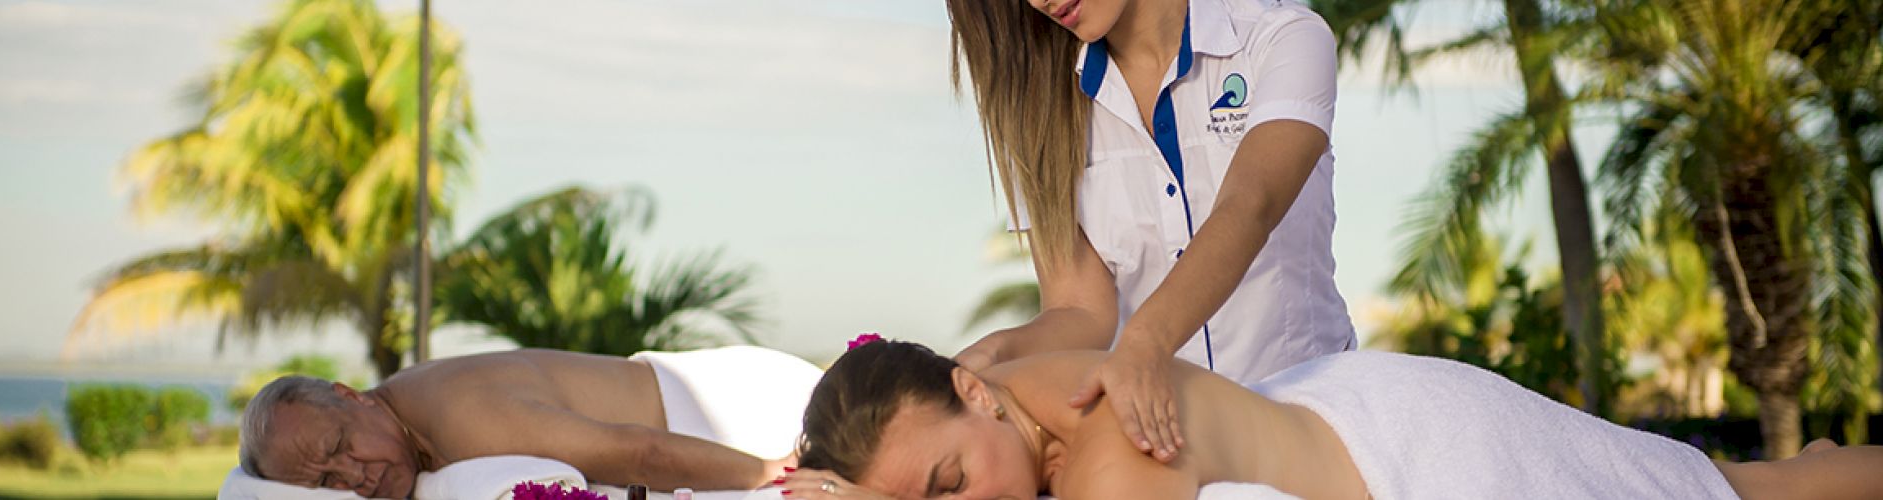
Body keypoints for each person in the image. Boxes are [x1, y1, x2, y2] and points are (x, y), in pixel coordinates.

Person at [946, 0, 1355, 463]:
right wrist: (992, 355)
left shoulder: (1281, 37)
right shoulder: (1040, 107)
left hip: (1313, 425)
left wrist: (1146, 342)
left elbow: (1250, 204)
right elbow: (1080, 310)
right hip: (1173, 449)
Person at [779, 340, 1882, 499]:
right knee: (1746, 483)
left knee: (1742, 492)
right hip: (1357, 401)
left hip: (1435, 460)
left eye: (946, 485)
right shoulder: (1014, 380)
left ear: (970, 395)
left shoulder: (1108, 444)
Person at [235, 347, 803, 498]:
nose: (354, 477)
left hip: (737, 414)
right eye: (328, 482)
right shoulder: (407, 429)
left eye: (341, 445)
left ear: (351, 396)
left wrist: (771, 471)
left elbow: (640, 455)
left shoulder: (463, 420)